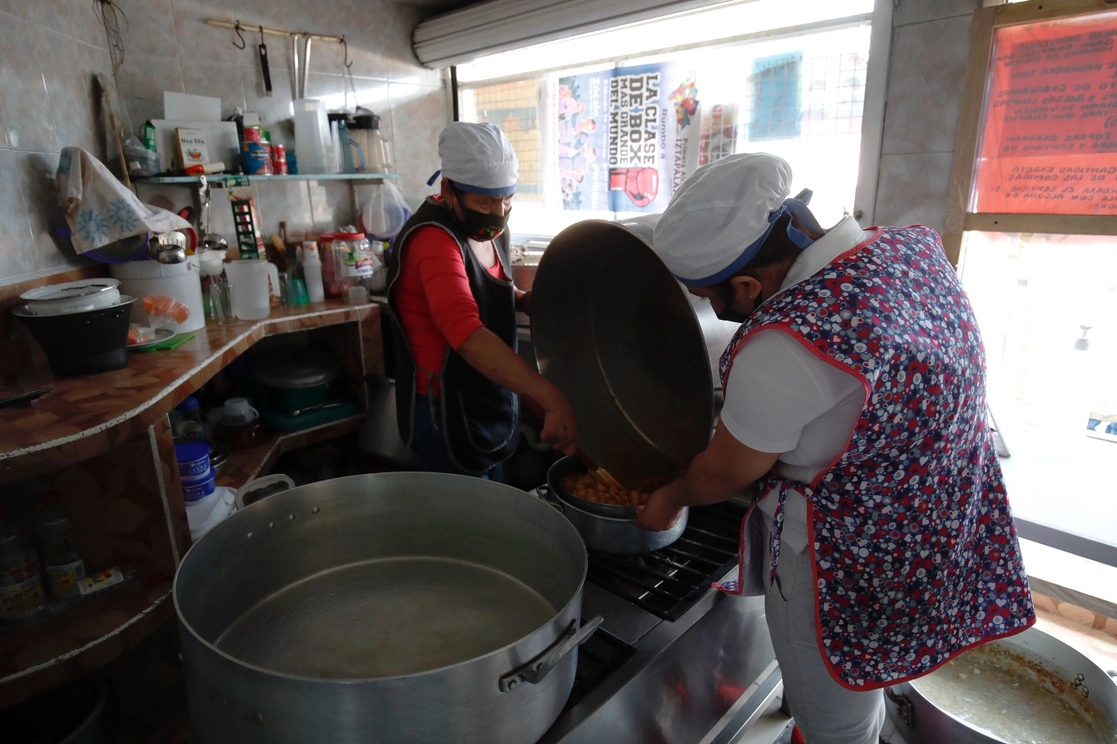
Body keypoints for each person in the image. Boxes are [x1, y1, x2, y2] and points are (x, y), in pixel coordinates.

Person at [635, 153, 1035, 744]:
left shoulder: (785, 341)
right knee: (867, 674)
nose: (710, 309)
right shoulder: (907, 250)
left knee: (834, 715)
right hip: (939, 514)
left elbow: (725, 471)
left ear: (747, 285)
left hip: (849, 555)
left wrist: (669, 498)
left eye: (707, 297)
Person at [385, 122, 578, 479]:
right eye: (485, 200)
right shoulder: (434, 239)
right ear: (449, 189)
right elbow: (466, 331)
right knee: (466, 523)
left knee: (496, 508)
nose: (497, 211)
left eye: (506, 199)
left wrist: (522, 301)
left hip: (487, 392)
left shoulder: (490, 228)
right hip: (444, 408)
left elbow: (483, 288)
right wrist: (550, 396)